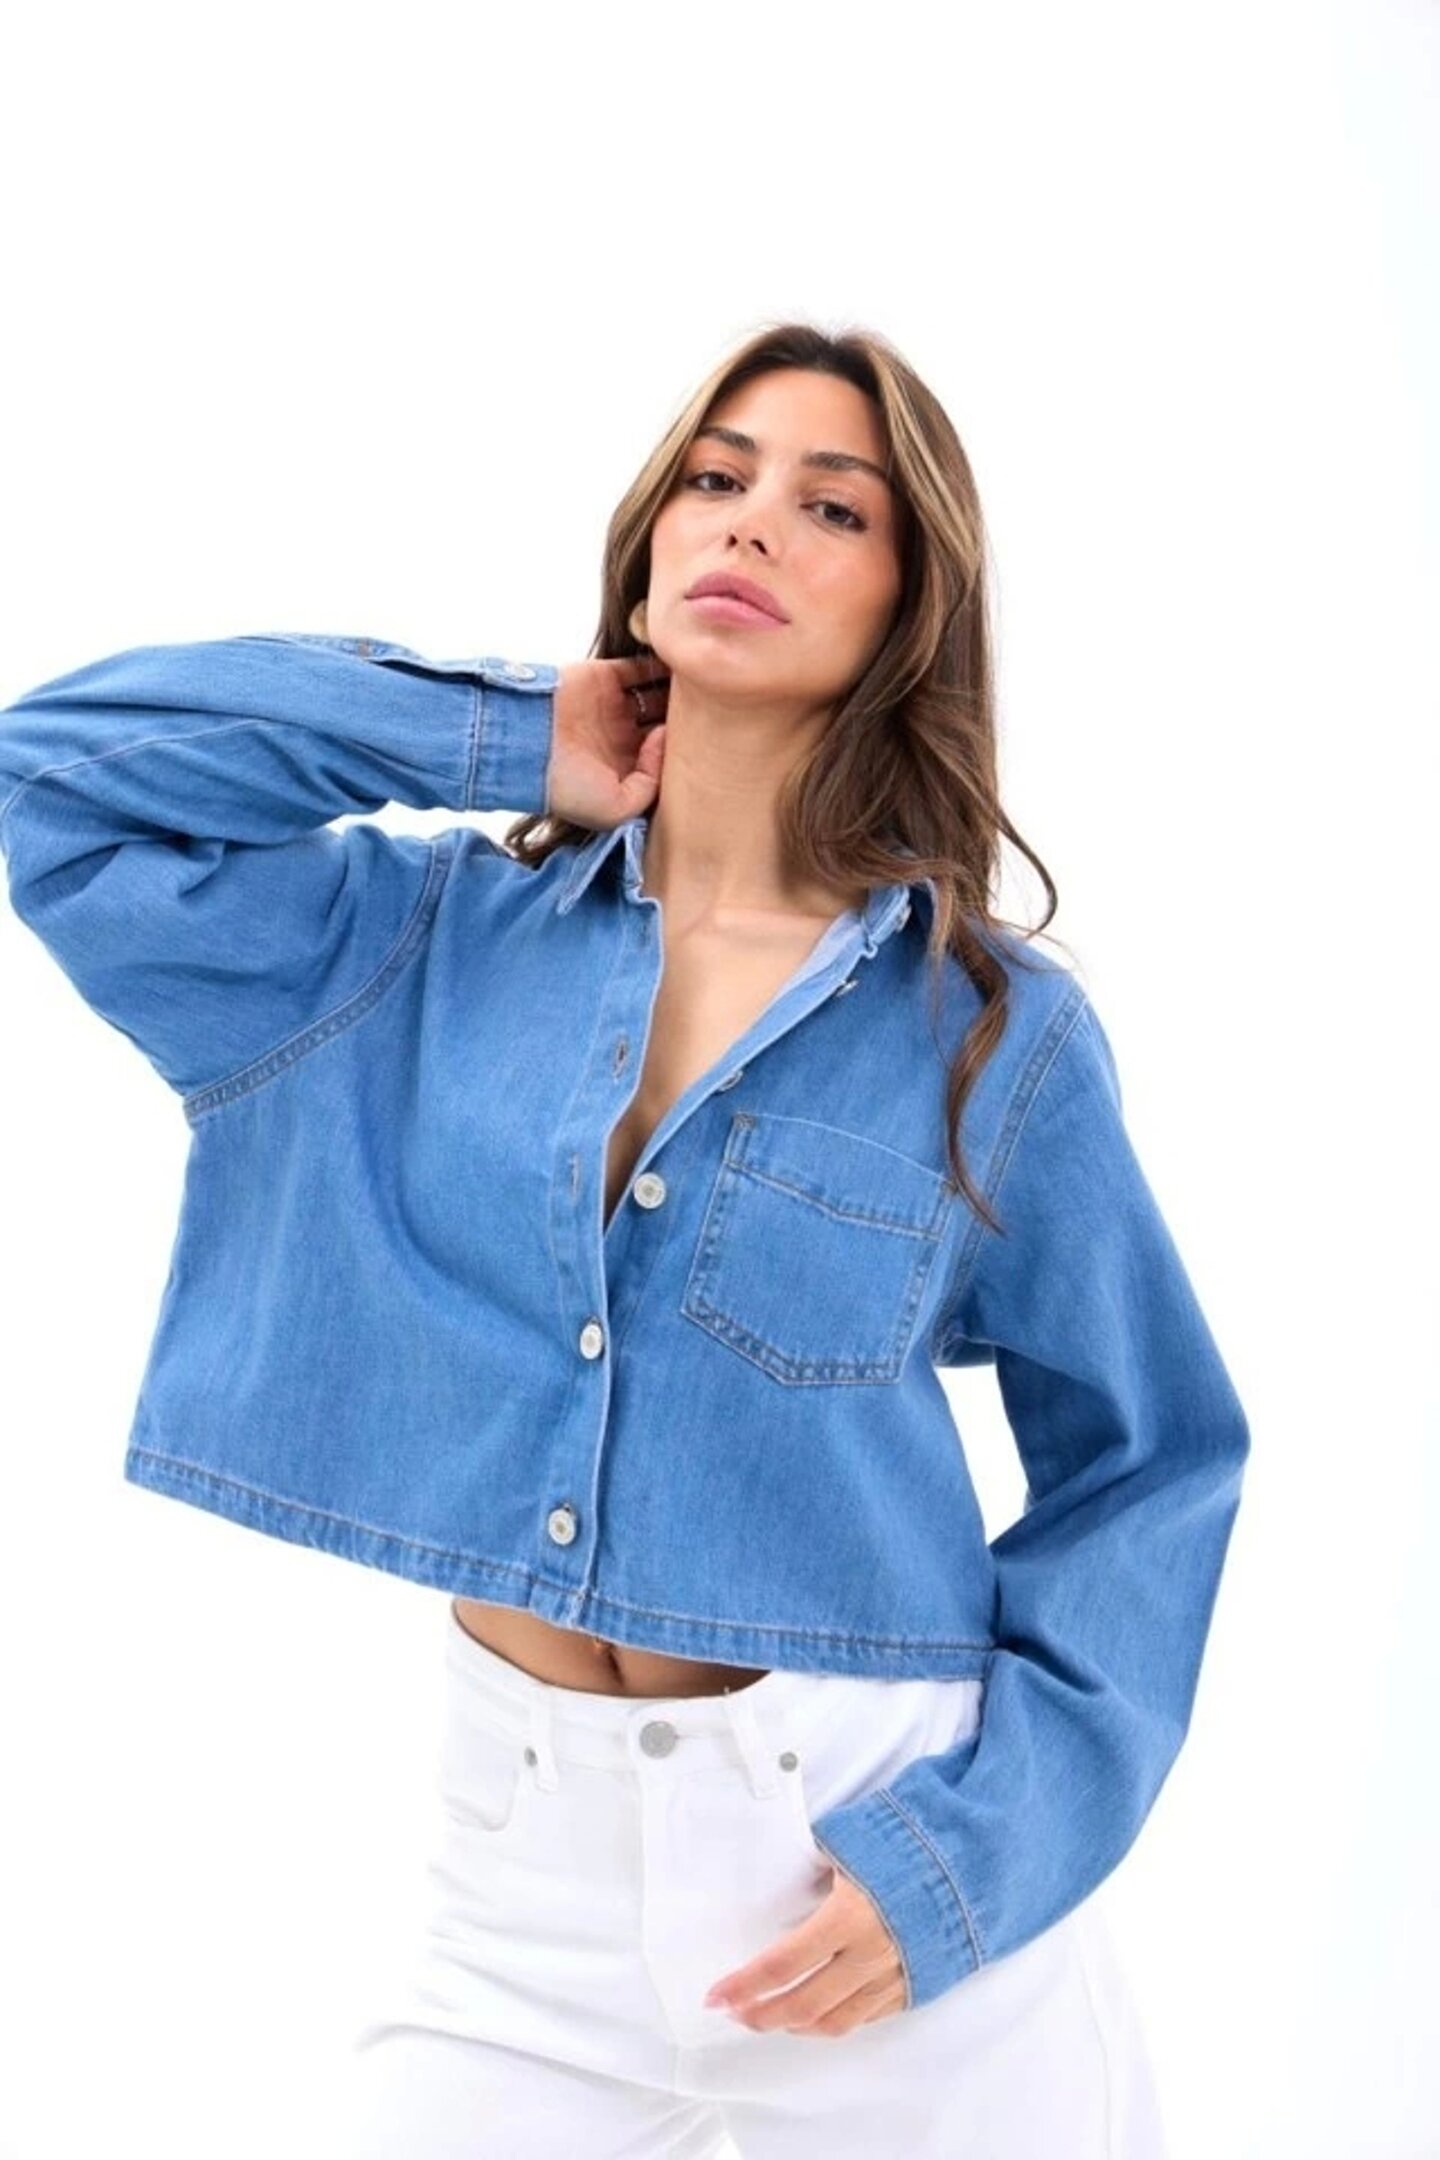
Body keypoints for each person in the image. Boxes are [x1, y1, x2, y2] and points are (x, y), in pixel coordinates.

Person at [0, 321, 1249, 2157]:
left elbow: (1154, 1463)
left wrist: (972, 1865)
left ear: (909, 607)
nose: (751, 523)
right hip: (523, 1894)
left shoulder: (995, 1036)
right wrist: (511, 732)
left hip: (869, 1865)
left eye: (833, 507)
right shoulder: (403, 950)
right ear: (652, 535)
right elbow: (52, 780)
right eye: (716, 479)